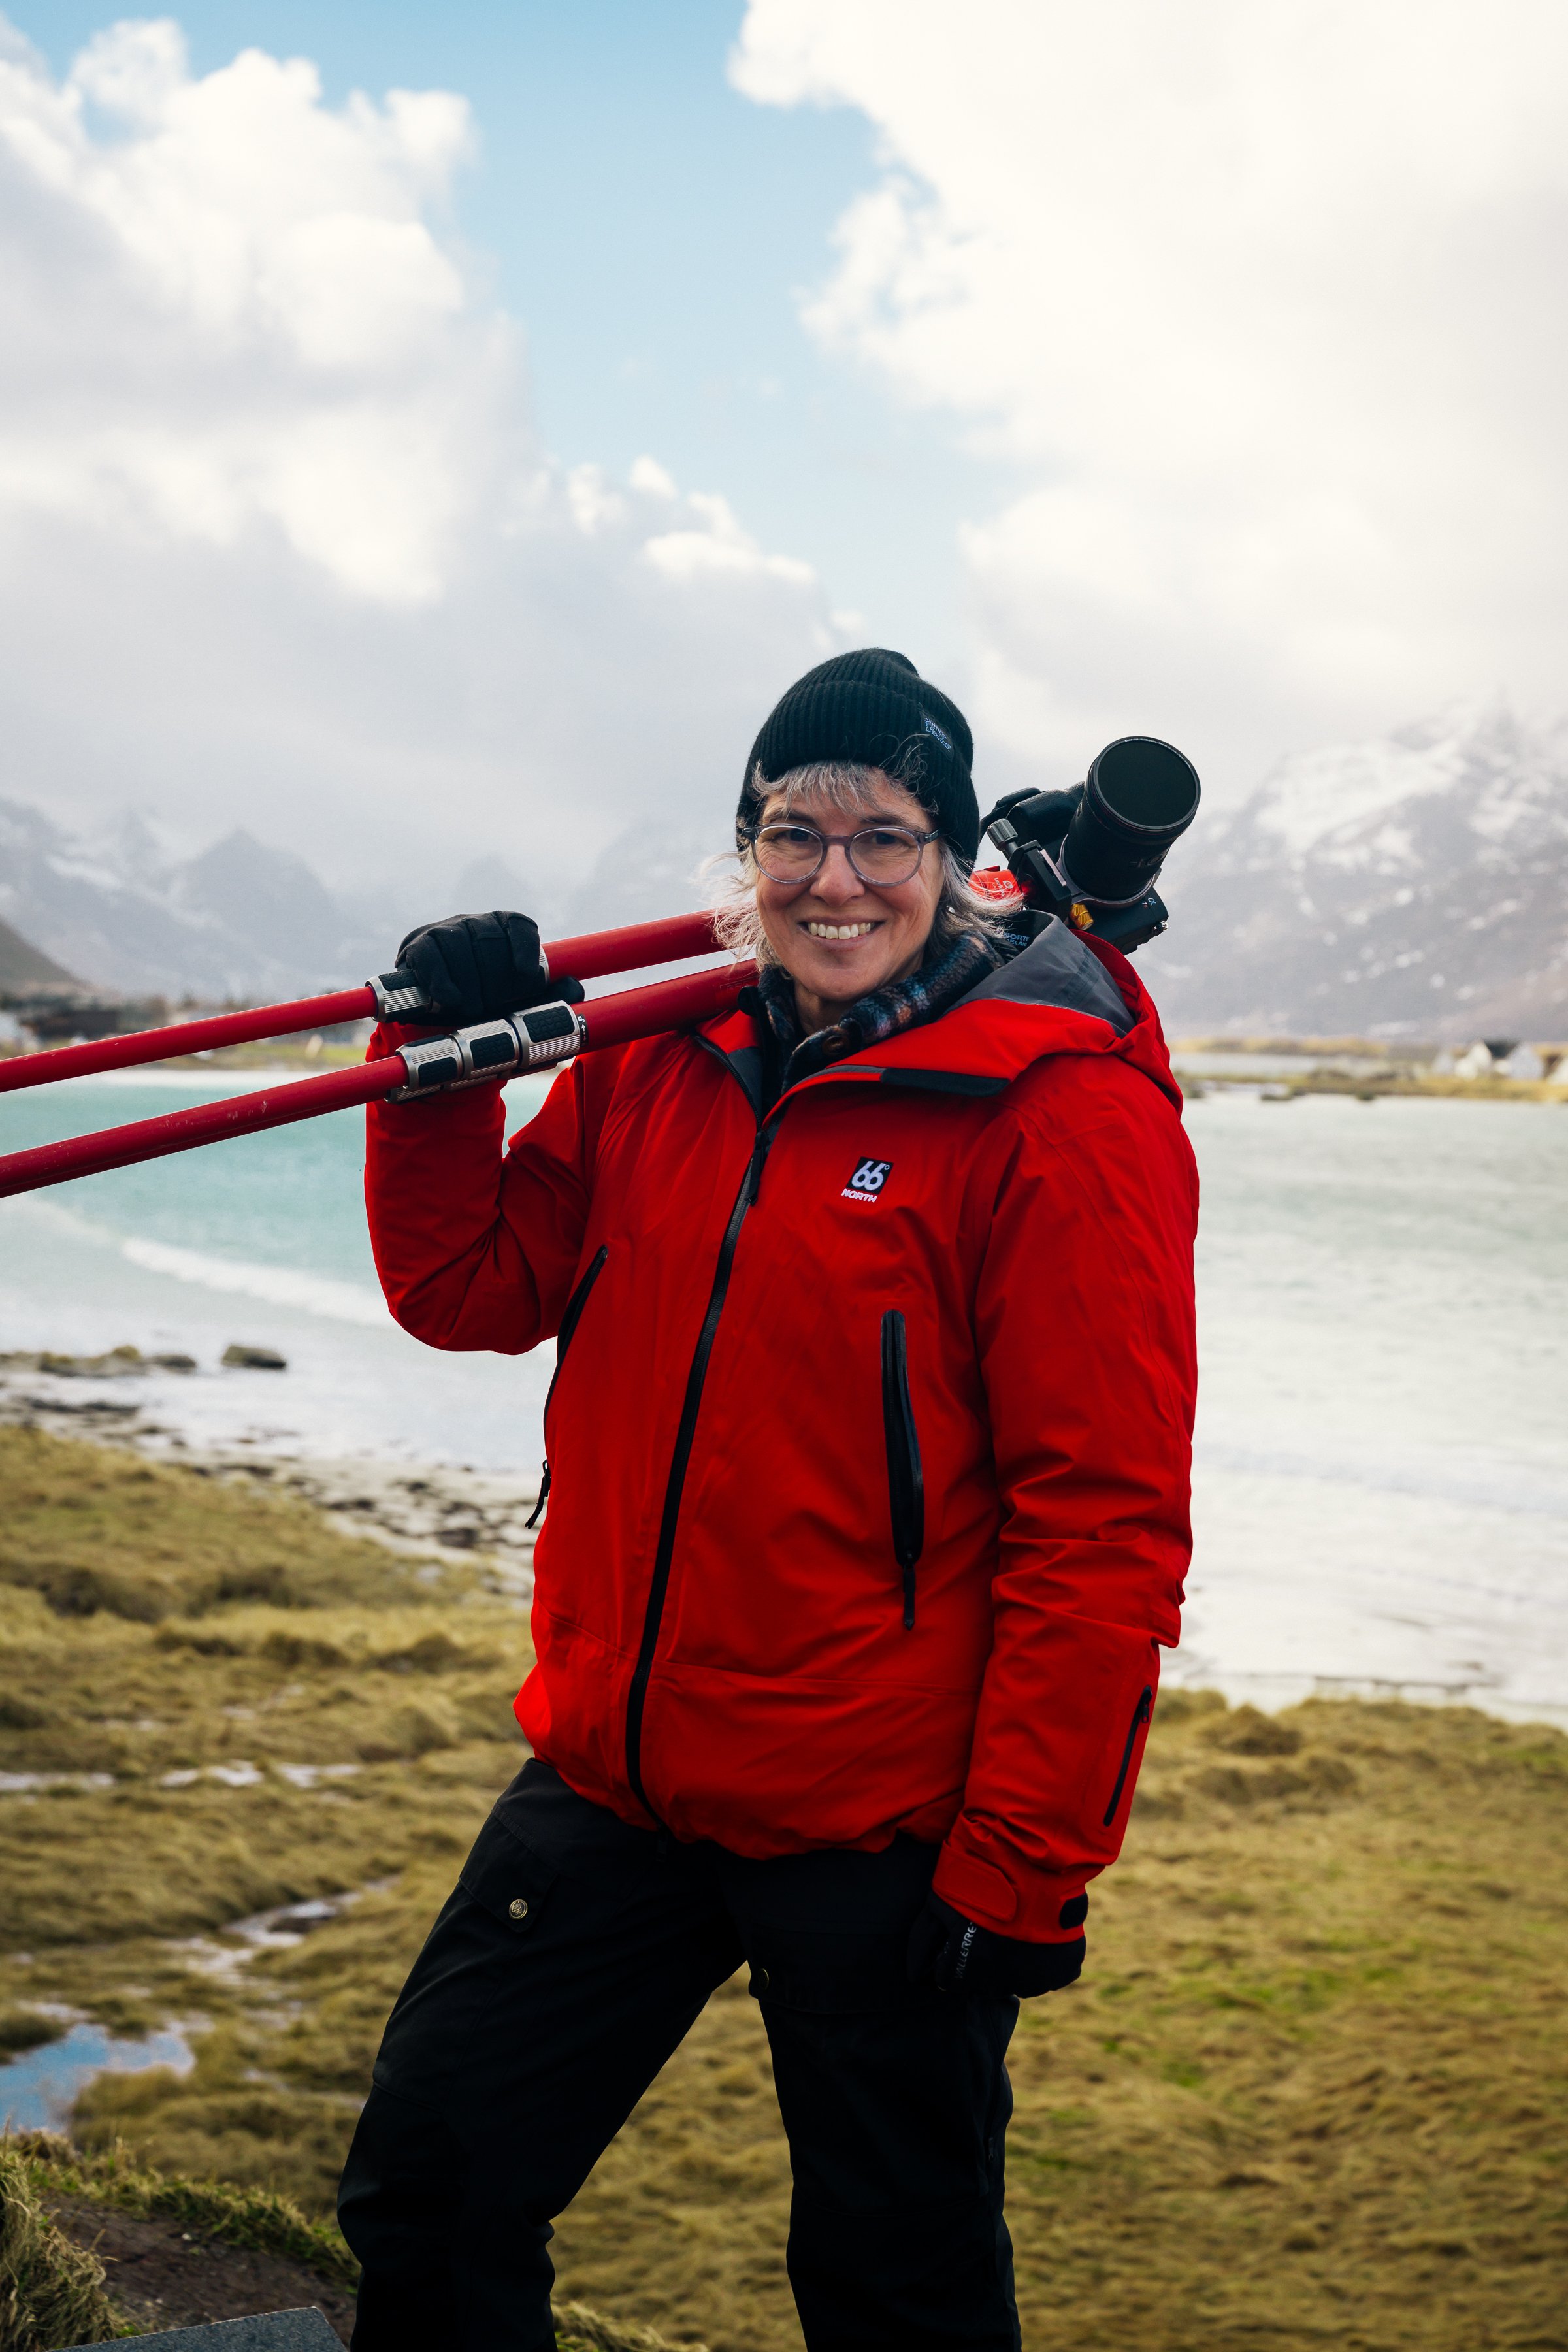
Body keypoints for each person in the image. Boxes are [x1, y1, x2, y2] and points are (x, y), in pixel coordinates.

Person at [339, 647, 1198, 2352]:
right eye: (790, 834)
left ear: (952, 855)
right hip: (619, 1773)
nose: (834, 878)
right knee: (426, 2187)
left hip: (878, 1819)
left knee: (894, 2291)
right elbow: (474, 1288)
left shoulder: (1060, 1112)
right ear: (747, 854)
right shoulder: (667, 1055)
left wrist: (1022, 1868)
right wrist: (437, 1055)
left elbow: (1102, 1519)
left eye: (883, 836)